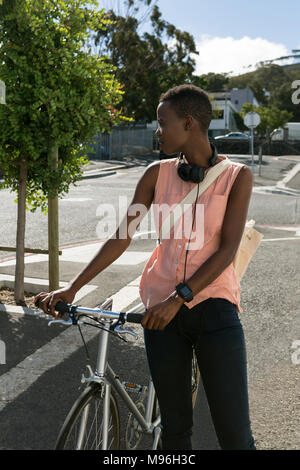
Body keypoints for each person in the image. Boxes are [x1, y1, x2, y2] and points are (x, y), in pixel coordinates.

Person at [34, 84, 256, 450]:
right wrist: (71, 288)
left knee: (234, 435)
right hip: (159, 318)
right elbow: (121, 236)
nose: (158, 130)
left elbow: (227, 249)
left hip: (213, 311)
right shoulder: (156, 174)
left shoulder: (237, 177)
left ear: (188, 123)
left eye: (162, 122)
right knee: (174, 431)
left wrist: (178, 298)